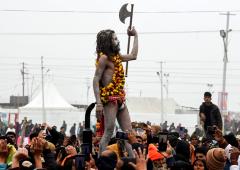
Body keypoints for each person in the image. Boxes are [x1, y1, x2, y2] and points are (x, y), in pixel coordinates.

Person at [93, 27, 138, 156]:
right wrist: (99, 103)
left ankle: (133, 160)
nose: (117, 41)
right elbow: (96, 80)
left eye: (117, 38)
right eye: (114, 38)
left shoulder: (117, 57)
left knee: (129, 132)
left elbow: (134, 55)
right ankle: (102, 160)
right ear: (107, 42)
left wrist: (136, 35)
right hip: (110, 100)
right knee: (109, 130)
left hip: (121, 98)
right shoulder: (104, 59)